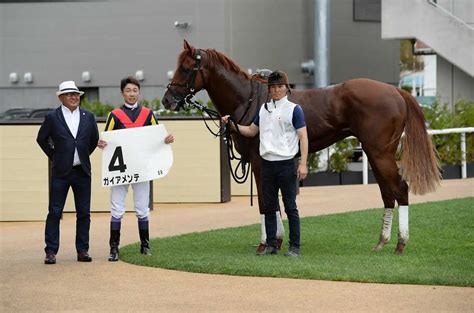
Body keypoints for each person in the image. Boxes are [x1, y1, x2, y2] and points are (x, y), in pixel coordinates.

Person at [222, 70, 308, 256]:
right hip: (267, 163)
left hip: (286, 163)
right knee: (269, 205)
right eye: (273, 87)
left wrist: (303, 163)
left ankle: (295, 247)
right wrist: (232, 125)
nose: (276, 90)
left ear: (286, 88)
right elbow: (252, 131)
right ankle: (270, 244)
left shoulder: (294, 109)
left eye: (280, 86)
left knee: (290, 206)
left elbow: (303, 136)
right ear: (269, 90)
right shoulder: (263, 109)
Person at [97, 76, 174, 262]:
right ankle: (114, 248)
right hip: (120, 169)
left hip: (142, 168)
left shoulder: (148, 114)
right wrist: (101, 143)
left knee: (142, 208)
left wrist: (165, 140)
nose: (131, 94)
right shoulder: (114, 115)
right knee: (117, 208)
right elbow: (107, 139)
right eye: (128, 91)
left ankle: (145, 245)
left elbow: (156, 137)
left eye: (134, 90)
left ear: (139, 92)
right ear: (122, 93)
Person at [37, 81, 99, 264]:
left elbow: (93, 140)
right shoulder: (52, 117)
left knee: (84, 213)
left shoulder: (88, 117)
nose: (74, 97)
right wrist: (55, 156)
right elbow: (41, 139)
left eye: (76, 94)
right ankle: (51, 251)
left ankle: (82, 250)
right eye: (70, 94)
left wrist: (82, 155)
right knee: (55, 211)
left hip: (82, 172)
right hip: (60, 172)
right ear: (61, 97)